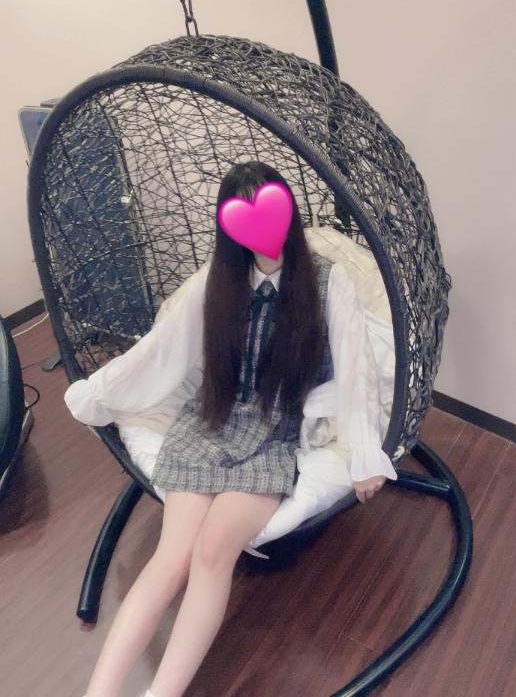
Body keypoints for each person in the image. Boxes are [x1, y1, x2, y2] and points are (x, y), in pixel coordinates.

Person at [67, 161, 397, 697]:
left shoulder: (328, 283)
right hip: (211, 421)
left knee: (213, 552)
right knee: (171, 558)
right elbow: (161, 350)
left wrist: (364, 454)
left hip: (273, 437)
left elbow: (357, 369)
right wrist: (98, 393)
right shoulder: (216, 281)